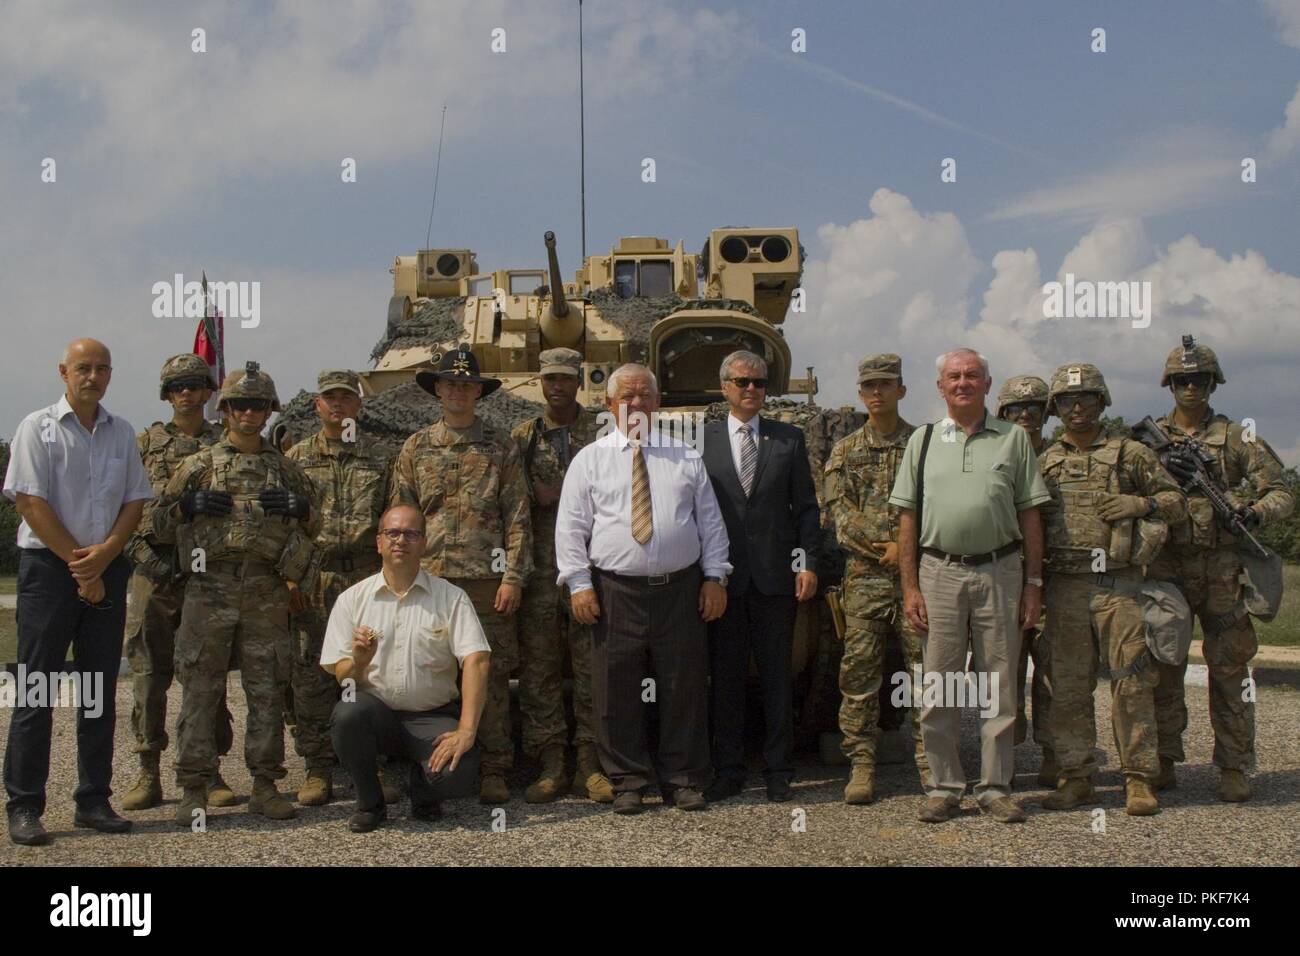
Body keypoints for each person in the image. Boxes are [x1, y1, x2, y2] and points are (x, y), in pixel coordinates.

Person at [555, 363, 731, 814]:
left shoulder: (685, 456)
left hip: (679, 590)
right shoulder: (589, 461)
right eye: (627, 396)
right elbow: (571, 529)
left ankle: (684, 779)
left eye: (645, 395)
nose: (637, 403)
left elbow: (709, 523)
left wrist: (715, 577)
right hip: (614, 591)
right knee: (615, 690)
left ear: (657, 403)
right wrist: (579, 584)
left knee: (684, 686)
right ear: (610, 404)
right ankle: (627, 780)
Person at [153, 362, 320, 827]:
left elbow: (316, 524)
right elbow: (157, 527)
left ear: (270, 411)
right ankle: (193, 786)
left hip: (266, 587)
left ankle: (265, 786)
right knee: (200, 691)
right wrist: (185, 506)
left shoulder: (286, 470)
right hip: (209, 588)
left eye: (259, 404)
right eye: (241, 404)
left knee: (266, 689)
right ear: (225, 409)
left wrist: (300, 506)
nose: (250, 412)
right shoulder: (197, 466)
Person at [3, 338, 154, 845]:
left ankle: (93, 800)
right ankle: (24, 805)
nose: (93, 376)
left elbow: (135, 501)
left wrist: (106, 555)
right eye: (83, 368)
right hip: (50, 569)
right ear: (63, 372)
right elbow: (29, 502)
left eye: (102, 369)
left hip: (105, 566)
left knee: (97, 692)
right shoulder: (37, 427)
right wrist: (80, 566)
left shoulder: (122, 432)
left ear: (111, 376)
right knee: (37, 689)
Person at [890, 348, 1049, 824]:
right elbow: (907, 519)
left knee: (999, 683)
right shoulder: (921, 441)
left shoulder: (1014, 439)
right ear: (940, 387)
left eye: (972, 376)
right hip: (939, 572)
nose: (963, 383)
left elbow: (1031, 515)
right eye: (954, 376)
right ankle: (944, 786)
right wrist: (911, 588)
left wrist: (1034, 584)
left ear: (986, 383)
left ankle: (996, 787)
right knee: (938, 683)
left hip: (1000, 571)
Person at [1145, 338, 1293, 802]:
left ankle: (1234, 765)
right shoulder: (1146, 440)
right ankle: (1163, 760)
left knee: (1230, 669)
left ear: (1213, 383)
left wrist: (1254, 511)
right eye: (1183, 380)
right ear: (1171, 385)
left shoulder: (1236, 436)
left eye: (1200, 380)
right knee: (1162, 664)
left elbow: (1283, 490)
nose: (1192, 388)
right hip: (1167, 564)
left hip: (1224, 568)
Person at [1037, 364, 1186, 816]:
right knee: (1067, 687)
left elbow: (1178, 502)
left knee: (1132, 682)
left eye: (1085, 398)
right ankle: (1076, 776)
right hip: (1064, 586)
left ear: (1103, 402)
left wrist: (1143, 503)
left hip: (1118, 585)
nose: (1076, 406)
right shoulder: (1046, 459)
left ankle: (1138, 779)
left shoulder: (1131, 453)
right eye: (1066, 400)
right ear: (1056, 408)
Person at [390, 346, 531, 805]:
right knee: (426, 673)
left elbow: (517, 516)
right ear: (438, 391)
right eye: (450, 383)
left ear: (477, 393)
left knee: (488, 675)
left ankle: (493, 767)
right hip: (428, 581)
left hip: (485, 584)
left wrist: (513, 576)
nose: (458, 391)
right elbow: (401, 517)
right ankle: (424, 765)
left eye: (467, 385)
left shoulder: (501, 445)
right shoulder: (415, 447)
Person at [323, 505, 491, 832]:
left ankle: (424, 791)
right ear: (379, 542)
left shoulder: (450, 597)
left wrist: (466, 731)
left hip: (432, 714)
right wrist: (359, 660)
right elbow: (344, 679)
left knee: (458, 776)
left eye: (411, 534)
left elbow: (476, 660)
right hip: (376, 715)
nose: (401, 540)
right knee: (347, 714)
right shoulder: (352, 600)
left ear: (424, 543)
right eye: (393, 533)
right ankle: (370, 804)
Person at [702, 350, 820, 804]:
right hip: (724, 581)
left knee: (777, 679)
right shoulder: (703, 442)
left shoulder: (788, 440)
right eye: (741, 382)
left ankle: (778, 769)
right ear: (724, 387)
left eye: (759, 382)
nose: (751, 389)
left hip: (776, 580)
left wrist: (806, 561)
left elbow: (805, 508)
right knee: (725, 678)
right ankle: (728, 768)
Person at [121, 354, 236, 812]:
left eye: (194, 384)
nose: (186, 393)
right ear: (166, 395)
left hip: (205, 574)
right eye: (176, 387)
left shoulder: (225, 443)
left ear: (209, 392)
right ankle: (148, 770)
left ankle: (208, 771)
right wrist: (142, 555)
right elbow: (123, 506)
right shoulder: (143, 444)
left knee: (205, 675)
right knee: (150, 676)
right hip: (154, 570)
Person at [284, 370, 395, 807]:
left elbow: (392, 520)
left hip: (367, 576)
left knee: (372, 669)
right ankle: (317, 767)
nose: (338, 405)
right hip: (316, 577)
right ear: (317, 405)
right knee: (313, 673)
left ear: (358, 406)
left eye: (346, 399)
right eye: (330, 398)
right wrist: (291, 576)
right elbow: (285, 527)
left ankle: (377, 763)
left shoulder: (380, 458)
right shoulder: (294, 459)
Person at [822, 354, 929, 805]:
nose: (878, 393)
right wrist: (886, 548)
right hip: (865, 578)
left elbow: (942, 506)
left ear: (902, 390)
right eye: (870, 386)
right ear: (860, 394)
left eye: (886, 384)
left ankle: (931, 764)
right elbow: (838, 514)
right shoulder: (846, 450)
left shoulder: (925, 445)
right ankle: (861, 765)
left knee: (925, 673)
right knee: (859, 674)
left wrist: (906, 551)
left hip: (918, 579)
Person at [510, 348, 612, 804]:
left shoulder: (603, 432)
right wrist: (535, 497)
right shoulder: (521, 439)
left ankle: (591, 764)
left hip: (593, 572)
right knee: (540, 672)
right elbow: (507, 505)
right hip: (539, 574)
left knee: (593, 668)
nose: (557, 386)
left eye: (566, 378)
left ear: (577, 382)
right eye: (550, 378)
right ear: (540, 382)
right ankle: (551, 762)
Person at [994, 374, 1058, 786]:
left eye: (1034, 408)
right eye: (1015, 410)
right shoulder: (996, 457)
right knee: (1004, 676)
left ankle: (1054, 755)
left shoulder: (1062, 458)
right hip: (1002, 581)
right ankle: (1007, 761)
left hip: (1056, 583)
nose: (1025, 416)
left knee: (1055, 675)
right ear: (1003, 414)